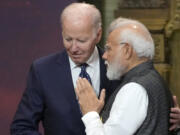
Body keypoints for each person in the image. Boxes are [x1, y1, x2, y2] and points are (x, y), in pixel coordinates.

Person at [10, 3, 118, 135]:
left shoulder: (117, 67)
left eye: (81, 40)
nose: (73, 48)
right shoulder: (42, 70)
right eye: (68, 39)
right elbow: (21, 128)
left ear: (98, 35)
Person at [75, 17, 175, 135]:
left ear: (127, 50)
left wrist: (90, 113)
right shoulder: (153, 78)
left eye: (109, 49)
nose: (104, 56)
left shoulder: (134, 89)